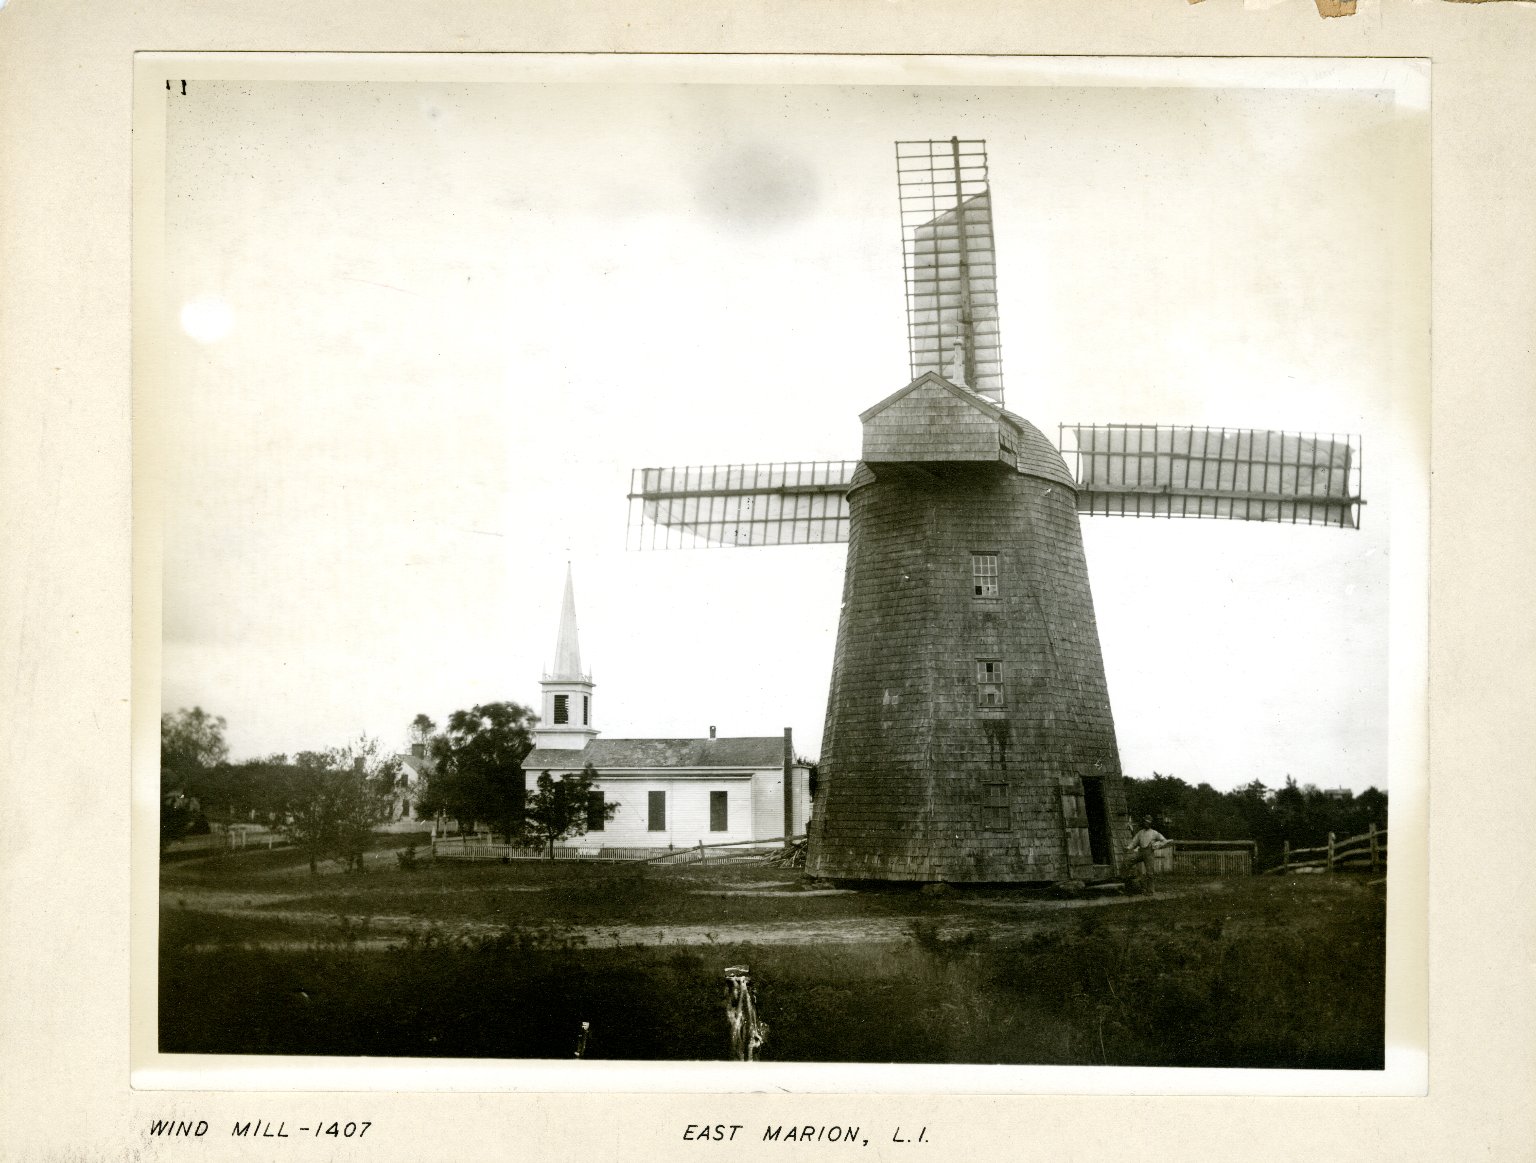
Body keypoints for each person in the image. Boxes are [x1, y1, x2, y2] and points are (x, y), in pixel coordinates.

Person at [1125, 816, 1169, 893]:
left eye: (1148, 822)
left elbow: (1164, 841)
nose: (1146, 824)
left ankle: (1150, 891)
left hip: (1149, 853)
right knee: (1128, 861)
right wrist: (1128, 848)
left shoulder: (1154, 833)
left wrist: (1156, 845)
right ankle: (1128, 883)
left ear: (1150, 823)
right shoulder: (1140, 832)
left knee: (1150, 873)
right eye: (1145, 822)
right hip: (1141, 851)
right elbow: (1134, 842)